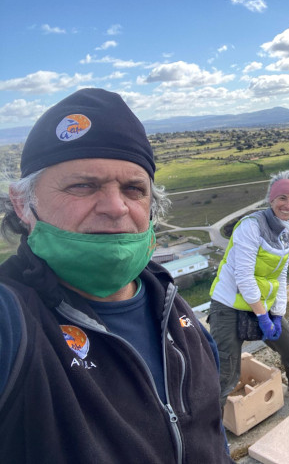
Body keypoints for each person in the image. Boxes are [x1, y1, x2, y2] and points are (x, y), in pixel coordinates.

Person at [0, 88, 233, 463]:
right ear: (23, 204)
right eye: (82, 185)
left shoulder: (177, 310)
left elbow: (211, 432)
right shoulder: (13, 322)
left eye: (133, 188)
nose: (114, 206)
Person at [208, 171, 289, 407]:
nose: (288, 205)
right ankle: (212, 430)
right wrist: (263, 317)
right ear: (271, 199)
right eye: (282, 198)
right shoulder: (251, 227)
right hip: (229, 304)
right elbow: (243, 277)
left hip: (260, 303)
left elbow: (281, 274)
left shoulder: (288, 233)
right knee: (226, 372)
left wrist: (277, 315)